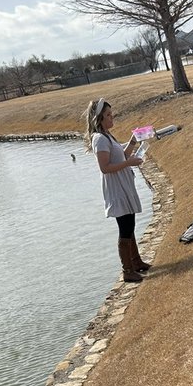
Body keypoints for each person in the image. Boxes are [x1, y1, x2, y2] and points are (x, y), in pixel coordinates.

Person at [85, 98, 148, 283]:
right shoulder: (99, 139)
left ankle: (136, 262)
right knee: (125, 227)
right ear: (99, 119)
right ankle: (127, 270)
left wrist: (133, 141)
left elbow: (123, 154)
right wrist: (129, 163)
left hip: (123, 185)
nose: (112, 118)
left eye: (112, 114)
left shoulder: (108, 136)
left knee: (130, 224)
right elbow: (105, 167)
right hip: (116, 189)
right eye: (108, 115)